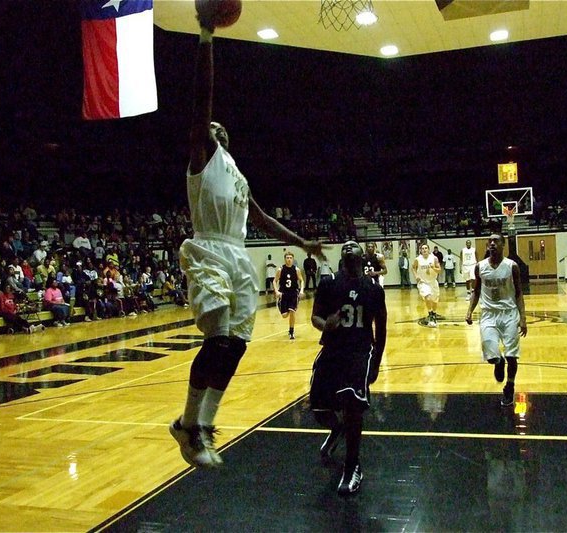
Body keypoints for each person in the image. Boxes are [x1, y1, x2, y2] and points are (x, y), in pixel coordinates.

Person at [169, 4, 326, 470]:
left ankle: (196, 424)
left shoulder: (236, 172)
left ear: (227, 139)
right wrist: (205, 35)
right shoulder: (201, 154)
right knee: (218, 336)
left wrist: (302, 242)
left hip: (238, 255)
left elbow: (259, 217)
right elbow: (203, 96)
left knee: (235, 344)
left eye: (217, 128)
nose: (211, 127)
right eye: (208, 125)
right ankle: (190, 426)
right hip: (210, 248)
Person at [309, 240, 387, 495]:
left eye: (354, 245)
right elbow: (315, 317)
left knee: (353, 405)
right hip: (332, 350)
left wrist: (376, 362)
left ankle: (353, 465)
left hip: (359, 352)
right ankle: (337, 428)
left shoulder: (373, 289)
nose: (349, 245)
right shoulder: (329, 282)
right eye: (346, 245)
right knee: (319, 409)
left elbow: (381, 328)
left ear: (362, 257)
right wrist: (325, 325)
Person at [465, 234, 527, 407]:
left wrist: (523, 318)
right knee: (492, 356)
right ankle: (498, 362)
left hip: (509, 313)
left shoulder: (511, 266)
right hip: (488, 314)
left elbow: (519, 293)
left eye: (496, 241)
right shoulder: (480, 267)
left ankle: (510, 386)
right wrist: (469, 310)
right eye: (489, 241)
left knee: (512, 355)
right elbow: (476, 291)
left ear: (503, 245)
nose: (492, 244)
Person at [274, 252, 304, 340]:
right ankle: (279, 304)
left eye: (291, 258)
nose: (289, 259)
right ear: (285, 259)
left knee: (292, 311)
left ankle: (291, 331)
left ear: (293, 259)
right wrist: (276, 291)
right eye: (287, 257)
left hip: (294, 293)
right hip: (283, 293)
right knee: (284, 315)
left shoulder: (296, 270)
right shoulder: (281, 269)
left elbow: (301, 280)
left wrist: (301, 290)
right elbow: (274, 281)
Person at [412, 243, 441, 327]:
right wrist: (416, 276)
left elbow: (439, 270)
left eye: (426, 248)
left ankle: (434, 313)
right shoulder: (418, 259)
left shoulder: (434, 258)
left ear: (428, 250)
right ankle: (430, 314)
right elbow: (413, 267)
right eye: (422, 248)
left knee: (435, 301)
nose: (424, 250)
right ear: (420, 250)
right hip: (423, 282)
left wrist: (433, 268)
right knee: (427, 297)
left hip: (433, 281)